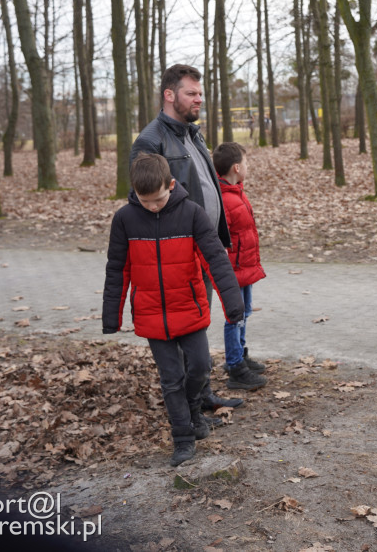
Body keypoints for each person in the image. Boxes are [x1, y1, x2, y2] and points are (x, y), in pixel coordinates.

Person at [103, 154, 246, 466]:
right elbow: (117, 269)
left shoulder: (192, 214)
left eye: (158, 199)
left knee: (199, 367)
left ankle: (194, 412)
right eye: (145, 201)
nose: (152, 206)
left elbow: (216, 261)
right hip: (152, 317)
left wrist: (233, 305)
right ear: (134, 193)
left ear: (170, 185)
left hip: (190, 311)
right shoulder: (125, 220)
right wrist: (111, 316)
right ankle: (182, 437)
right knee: (171, 379)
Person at [131, 64, 242, 413]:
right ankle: (186, 410)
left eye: (200, 93)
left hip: (203, 248)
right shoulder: (150, 142)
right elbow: (143, 204)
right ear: (169, 95)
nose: (199, 99)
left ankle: (202, 394)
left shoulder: (192, 134)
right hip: (177, 254)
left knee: (198, 324)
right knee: (180, 333)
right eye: (191, 93)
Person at [212, 141, 268, 391]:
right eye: (246, 163)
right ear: (236, 167)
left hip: (244, 269)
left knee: (244, 314)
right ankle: (234, 366)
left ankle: (240, 355)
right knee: (234, 318)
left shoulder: (236, 193)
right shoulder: (224, 200)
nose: (248, 167)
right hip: (233, 272)